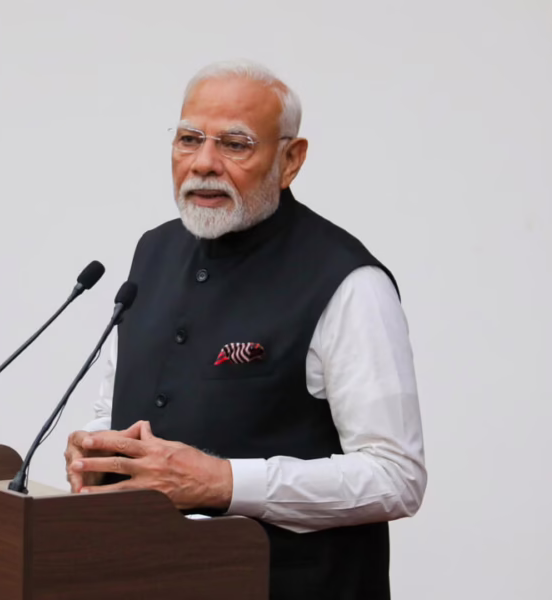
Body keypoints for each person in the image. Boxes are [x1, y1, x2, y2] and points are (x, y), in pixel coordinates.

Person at [64, 59, 426, 599]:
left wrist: (224, 483)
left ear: (290, 160)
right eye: (189, 139)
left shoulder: (349, 281)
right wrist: (99, 452)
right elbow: (114, 405)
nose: (204, 163)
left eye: (235, 145)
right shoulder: (152, 252)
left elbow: (397, 477)